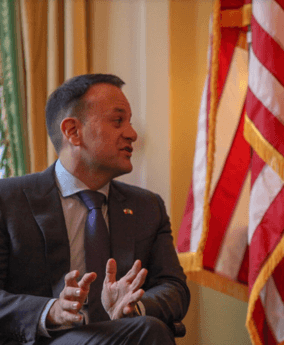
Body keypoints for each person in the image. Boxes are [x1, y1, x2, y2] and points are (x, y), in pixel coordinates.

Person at [0, 74, 190, 344]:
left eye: (130, 122)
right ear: (73, 132)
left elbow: (174, 287)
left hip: (126, 334)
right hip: (46, 338)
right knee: (149, 331)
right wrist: (51, 311)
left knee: (147, 327)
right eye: (118, 121)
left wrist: (134, 307)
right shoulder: (7, 199)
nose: (132, 134)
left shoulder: (148, 207)